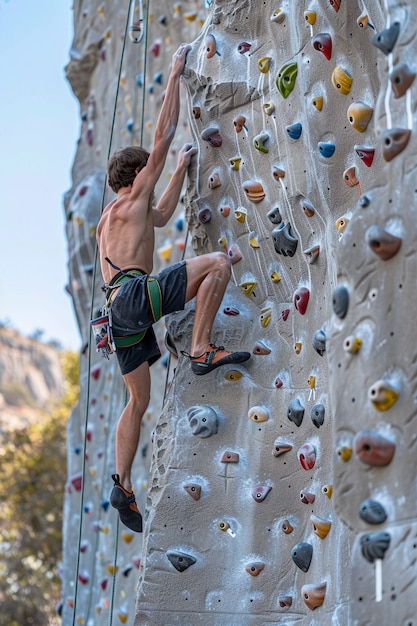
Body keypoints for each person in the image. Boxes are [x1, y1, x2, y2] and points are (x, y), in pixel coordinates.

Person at [96, 43, 250, 533]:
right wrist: (176, 74)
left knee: (136, 401)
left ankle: (122, 485)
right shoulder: (128, 201)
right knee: (219, 265)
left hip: (117, 311)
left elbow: (161, 215)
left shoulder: (113, 219)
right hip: (136, 296)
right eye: (150, 171)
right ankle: (202, 348)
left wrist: (182, 169)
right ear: (136, 174)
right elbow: (162, 134)